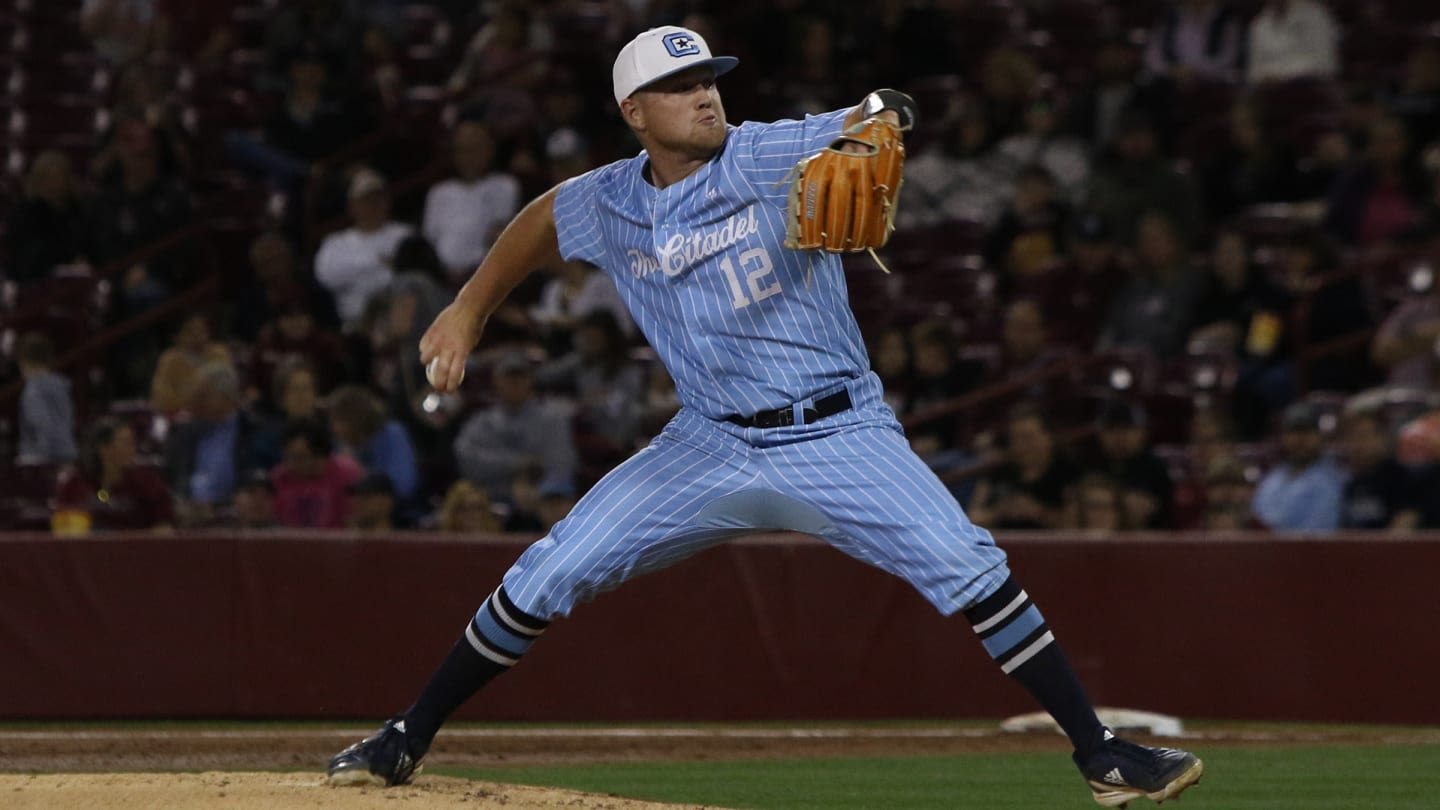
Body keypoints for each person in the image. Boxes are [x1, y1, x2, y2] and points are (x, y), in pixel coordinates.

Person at [326, 26, 1202, 806]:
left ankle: (1102, 756)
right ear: (635, 110)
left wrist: (880, 122)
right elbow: (543, 218)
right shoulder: (609, 198)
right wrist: (470, 310)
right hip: (706, 443)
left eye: (709, 77)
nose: (704, 93)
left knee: (969, 565)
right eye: (679, 85)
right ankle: (408, 736)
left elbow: (878, 110)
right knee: (547, 574)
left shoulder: (763, 153)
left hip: (838, 433)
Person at [451, 351, 578, 501]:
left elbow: (562, 462)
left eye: (520, 377)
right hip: (490, 498)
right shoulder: (482, 421)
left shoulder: (553, 418)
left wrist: (533, 486)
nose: (515, 383)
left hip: (543, 498)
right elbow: (467, 459)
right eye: (508, 378)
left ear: (531, 381)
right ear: (496, 381)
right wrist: (517, 464)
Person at [314, 168, 413, 332]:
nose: (373, 205)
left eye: (378, 199)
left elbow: (418, 275)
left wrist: (355, 270)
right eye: (366, 200)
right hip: (354, 326)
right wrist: (380, 263)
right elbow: (326, 278)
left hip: (401, 324)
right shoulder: (335, 243)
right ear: (352, 206)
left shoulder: (405, 235)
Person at [421, 119, 521, 282]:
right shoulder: (438, 193)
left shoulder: (504, 186)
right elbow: (429, 243)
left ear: (490, 149)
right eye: (463, 149)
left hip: (484, 279)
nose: (469, 156)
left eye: (475, 148)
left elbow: (498, 236)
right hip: (442, 278)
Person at [52, 418, 174, 533]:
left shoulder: (148, 483)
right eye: (126, 443)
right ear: (104, 448)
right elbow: (65, 529)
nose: (133, 449)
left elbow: (164, 527)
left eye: (133, 443)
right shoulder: (74, 483)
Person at [1251, 400, 1347, 532]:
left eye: (1307, 432)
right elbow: (1256, 520)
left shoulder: (1333, 479)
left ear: (1319, 436)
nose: (1300, 439)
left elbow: (1320, 532)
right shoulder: (1272, 478)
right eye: (1294, 432)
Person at [15, 332, 78, 465]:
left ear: (23, 361)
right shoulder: (62, 387)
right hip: (67, 454)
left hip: (40, 462)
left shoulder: (33, 391)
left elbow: (43, 426)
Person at [1245, 0, 1339, 85]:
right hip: (1268, 90)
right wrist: (1270, 77)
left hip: (1311, 87)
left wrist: (1282, 76)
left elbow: (1325, 64)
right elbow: (1254, 72)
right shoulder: (1259, 25)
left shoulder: (1315, 15)